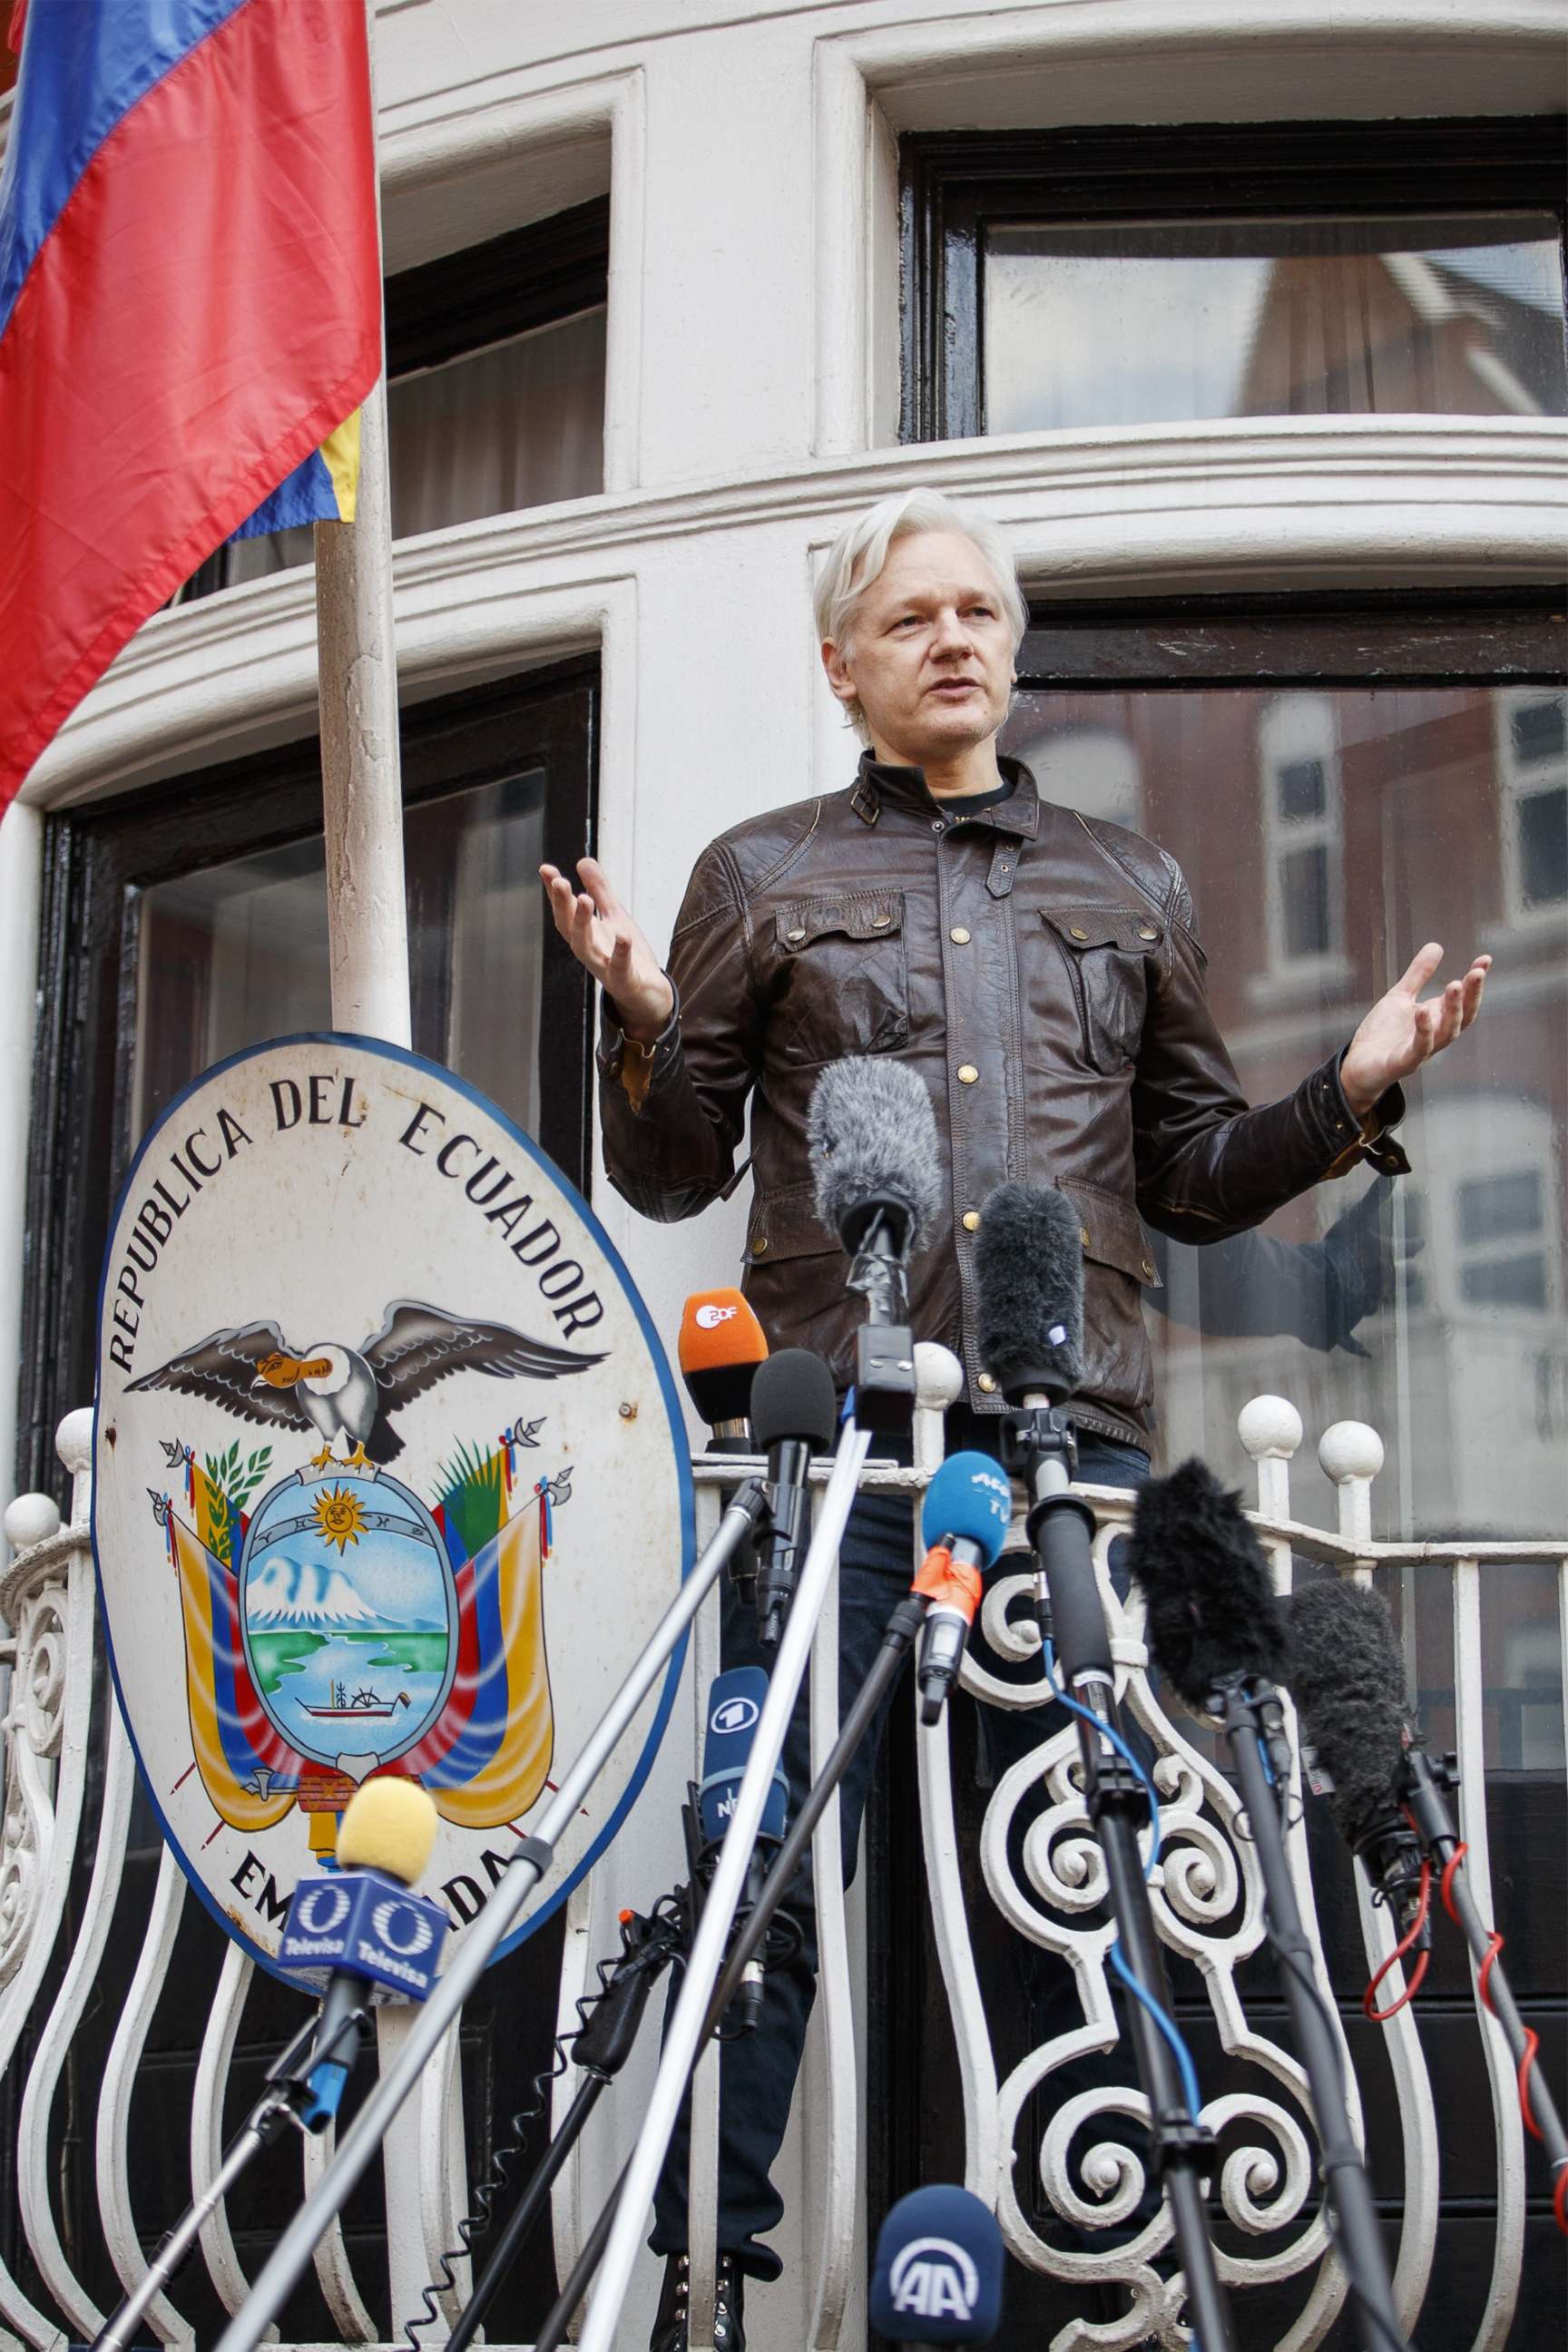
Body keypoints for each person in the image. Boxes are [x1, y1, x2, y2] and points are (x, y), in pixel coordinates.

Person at [540, 487, 1488, 2349]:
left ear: (1013, 640)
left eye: (978, 609)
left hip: (1073, 1463)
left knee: (1066, 1861)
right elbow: (670, 1172)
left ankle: (1090, 2278)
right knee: (768, 1873)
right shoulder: (764, 874)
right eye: (912, 620)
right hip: (848, 1460)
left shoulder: (1128, 881)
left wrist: (1349, 1094)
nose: (955, 638)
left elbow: (1197, 1177)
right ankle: (712, 2289)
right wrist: (647, 1020)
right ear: (843, 666)